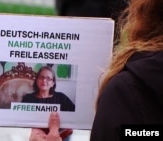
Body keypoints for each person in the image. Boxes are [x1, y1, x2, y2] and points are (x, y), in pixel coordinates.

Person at [29, 0, 163, 140]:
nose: (44, 81)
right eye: (42, 77)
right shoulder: (28, 97)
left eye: (48, 78)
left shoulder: (125, 91)